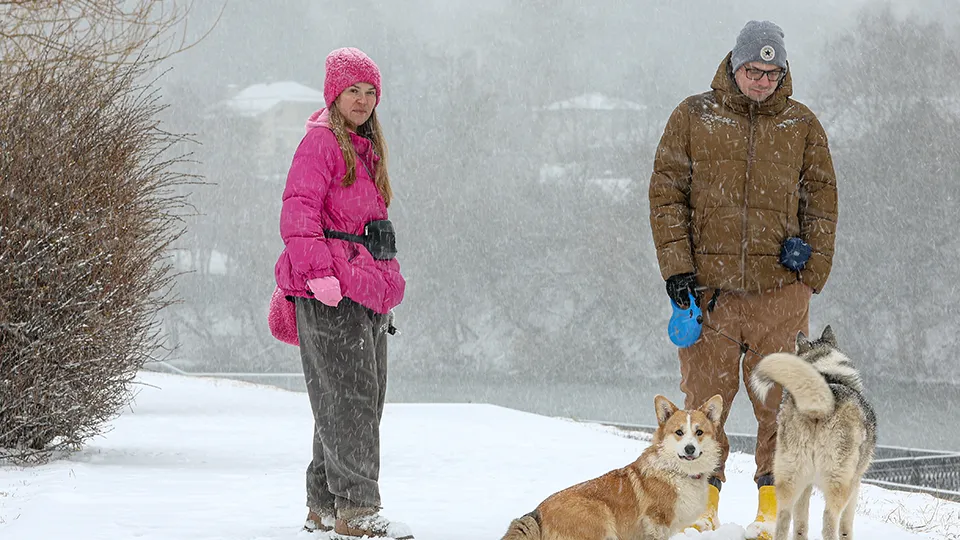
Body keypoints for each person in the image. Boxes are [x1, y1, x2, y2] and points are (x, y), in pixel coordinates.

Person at [648, 20, 838, 539]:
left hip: (780, 293)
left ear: (784, 72)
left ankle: (771, 504)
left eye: (772, 73)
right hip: (710, 292)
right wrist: (677, 271)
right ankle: (701, 501)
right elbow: (667, 195)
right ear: (734, 66)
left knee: (780, 402)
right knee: (704, 400)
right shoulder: (693, 116)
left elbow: (821, 198)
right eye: (753, 70)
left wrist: (811, 268)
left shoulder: (801, 125)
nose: (762, 81)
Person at [274, 47, 412, 540]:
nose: (362, 99)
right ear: (334, 93)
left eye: (370, 91)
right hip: (331, 291)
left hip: (365, 291)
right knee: (349, 402)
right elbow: (298, 213)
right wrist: (318, 276)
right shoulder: (321, 144)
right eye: (353, 89)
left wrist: (385, 280)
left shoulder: (365, 148)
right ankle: (358, 511)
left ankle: (325, 506)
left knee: (351, 402)